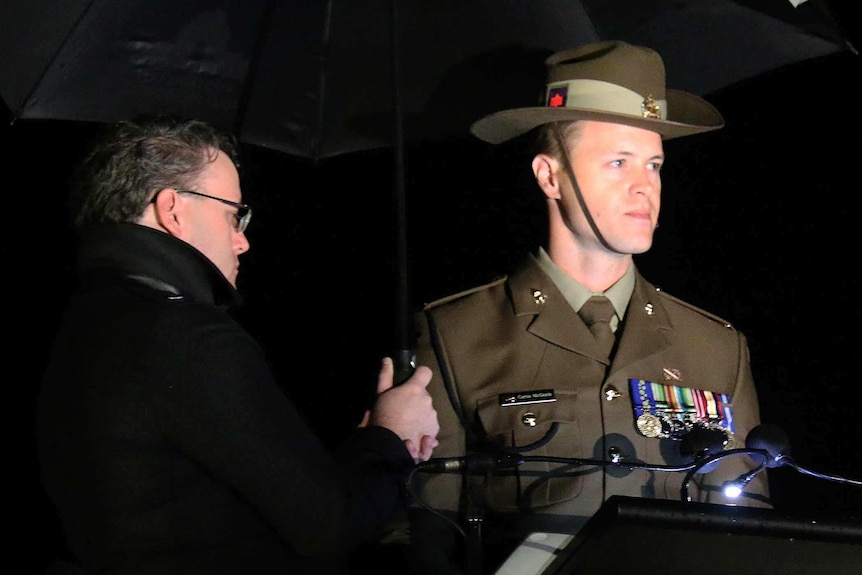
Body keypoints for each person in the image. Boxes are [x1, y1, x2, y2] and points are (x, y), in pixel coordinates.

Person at [404, 40, 771, 574]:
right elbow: (428, 534)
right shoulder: (459, 336)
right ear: (549, 176)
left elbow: (747, 539)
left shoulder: (714, 348)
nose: (644, 186)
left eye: (654, 164)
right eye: (618, 162)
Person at [36, 115, 439, 575]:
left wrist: (365, 449)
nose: (242, 242)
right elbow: (327, 527)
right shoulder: (184, 335)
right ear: (173, 209)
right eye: (234, 214)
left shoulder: (88, 319)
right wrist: (392, 439)